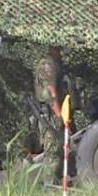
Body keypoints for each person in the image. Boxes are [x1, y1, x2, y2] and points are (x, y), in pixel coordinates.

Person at [32, 46, 65, 179]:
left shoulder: (51, 63)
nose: (61, 53)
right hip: (49, 114)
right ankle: (49, 184)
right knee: (53, 149)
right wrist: (59, 114)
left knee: (58, 147)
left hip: (49, 112)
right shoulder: (48, 65)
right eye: (59, 49)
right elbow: (50, 92)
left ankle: (55, 179)